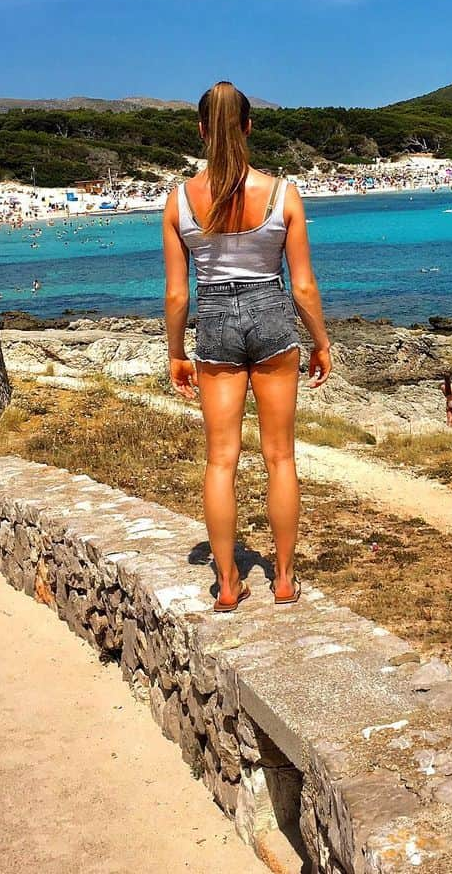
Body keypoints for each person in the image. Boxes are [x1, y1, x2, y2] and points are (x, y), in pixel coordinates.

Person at [162, 81, 332, 614]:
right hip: (272, 315)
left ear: (202, 129)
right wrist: (321, 341)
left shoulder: (179, 200)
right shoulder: (283, 194)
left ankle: (229, 585)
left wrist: (176, 353)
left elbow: (175, 293)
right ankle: (283, 578)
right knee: (280, 456)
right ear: (249, 127)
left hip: (212, 319)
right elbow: (302, 285)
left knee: (221, 461)